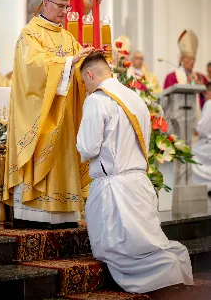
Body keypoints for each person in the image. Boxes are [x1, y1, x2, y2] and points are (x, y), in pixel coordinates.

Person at [76, 52, 193, 294]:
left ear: (90, 74)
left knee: (124, 251)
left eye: (84, 82)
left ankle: (166, 274)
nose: (85, 88)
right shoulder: (134, 97)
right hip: (138, 183)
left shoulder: (97, 100)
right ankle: (174, 268)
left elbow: (88, 148)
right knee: (146, 242)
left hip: (115, 190)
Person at [3, 0, 93, 229]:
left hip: (64, 121)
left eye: (68, 7)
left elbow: (76, 70)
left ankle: (64, 211)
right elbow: (32, 70)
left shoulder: (68, 38)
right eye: (61, 6)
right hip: (38, 117)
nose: (66, 12)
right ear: (45, 3)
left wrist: (85, 64)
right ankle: (35, 212)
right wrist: (66, 64)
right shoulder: (29, 34)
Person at [164, 30, 208, 108]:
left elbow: (208, 96)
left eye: (193, 59)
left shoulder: (201, 77)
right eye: (189, 58)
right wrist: (188, 83)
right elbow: (167, 100)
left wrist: (201, 87)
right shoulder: (171, 77)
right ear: (181, 59)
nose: (192, 62)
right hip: (178, 115)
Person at [192, 82, 211, 194]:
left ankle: (205, 186)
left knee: (191, 154)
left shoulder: (209, 103)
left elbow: (203, 129)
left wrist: (198, 130)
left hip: (208, 144)